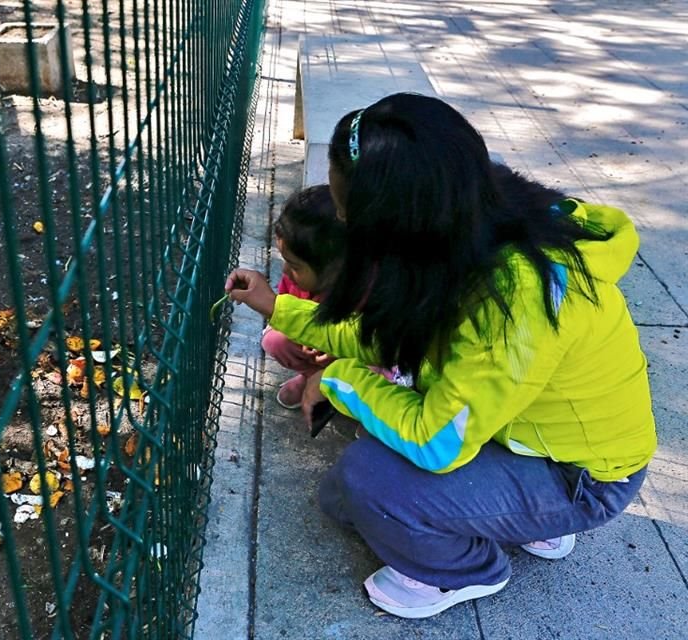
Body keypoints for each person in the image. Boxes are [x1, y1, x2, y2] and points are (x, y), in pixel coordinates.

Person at [225, 92, 656, 619]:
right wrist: (278, 308)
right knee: (345, 493)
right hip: (523, 427)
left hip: (581, 476)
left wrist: (339, 381)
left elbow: (436, 442)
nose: (343, 225)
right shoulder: (472, 220)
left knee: (365, 484)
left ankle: (469, 569)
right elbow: (393, 336)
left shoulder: (514, 301)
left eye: (348, 215)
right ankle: (521, 517)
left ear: (392, 221)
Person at [262, 185, 343, 409]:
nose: (286, 271)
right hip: (315, 350)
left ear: (334, 267)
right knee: (274, 339)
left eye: (295, 265)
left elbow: (367, 343)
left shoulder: (359, 292)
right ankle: (311, 376)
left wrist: (333, 353)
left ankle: (361, 402)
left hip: (351, 357)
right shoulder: (294, 281)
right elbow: (285, 316)